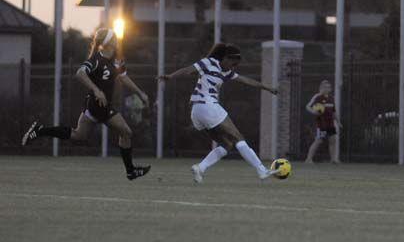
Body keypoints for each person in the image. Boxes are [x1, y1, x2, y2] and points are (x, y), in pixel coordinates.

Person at [22, 28, 151, 180]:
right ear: (108, 43)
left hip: (98, 105)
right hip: (97, 105)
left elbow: (123, 77)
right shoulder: (96, 59)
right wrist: (96, 90)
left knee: (78, 135)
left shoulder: (117, 59)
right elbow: (80, 73)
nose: (117, 40)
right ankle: (130, 171)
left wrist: (140, 93)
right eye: (114, 38)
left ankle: (40, 130)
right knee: (126, 132)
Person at [159, 43, 279, 183]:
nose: (233, 67)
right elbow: (188, 70)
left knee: (227, 144)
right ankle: (261, 170)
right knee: (238, 137)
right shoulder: (208, 62)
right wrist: (170, 76)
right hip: (207, 106)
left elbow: (246, 80)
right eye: (232, 63)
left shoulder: (227, 72)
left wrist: (268, 88)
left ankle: (201, 168)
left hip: (197, 111)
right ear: (225, 58)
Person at [304, 80, 341, 164]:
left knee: (333, 140)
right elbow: (308, 107)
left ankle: (333, 160)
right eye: (325, 87)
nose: (327, 89)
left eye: (329, 87)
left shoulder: (331, 98)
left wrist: (338, 122)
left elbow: (334, 112)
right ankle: (308, 159)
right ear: (321, 88)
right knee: (319, 140)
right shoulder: (318, 97)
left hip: (330, 124)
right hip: (321, 124)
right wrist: (314, 111)